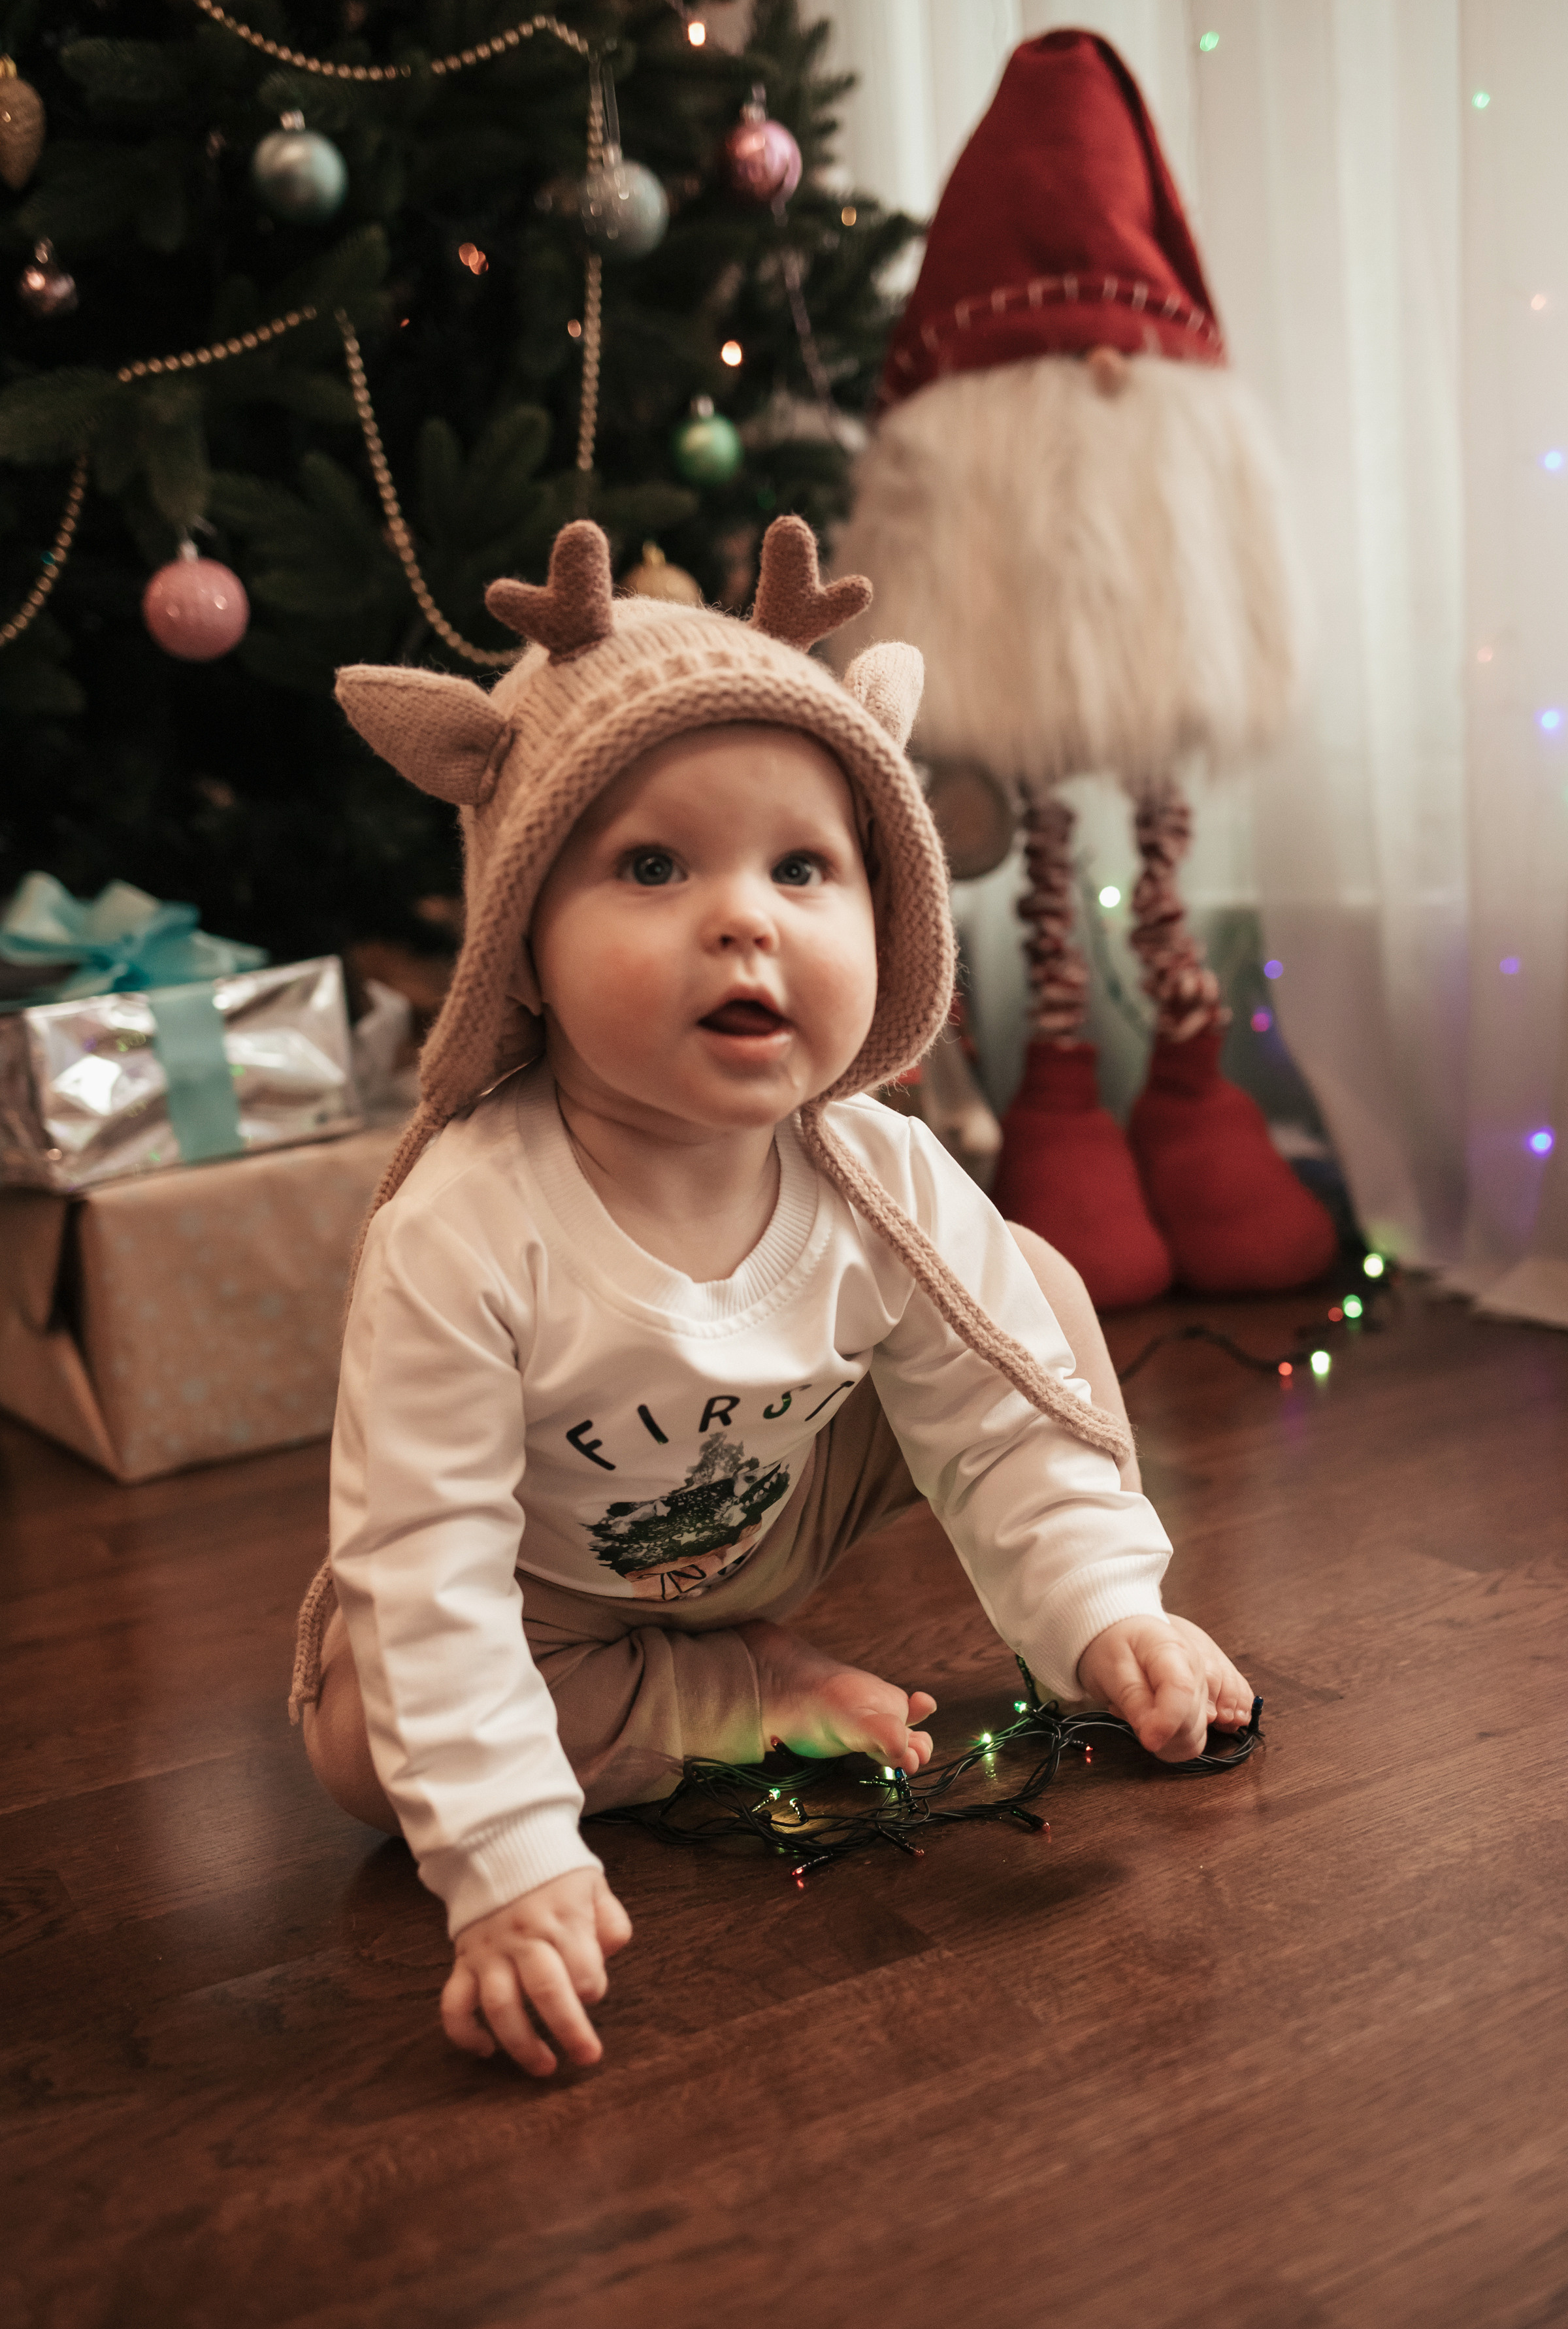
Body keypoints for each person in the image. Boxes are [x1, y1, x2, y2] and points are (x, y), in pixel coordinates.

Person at [290, 515, 1254, 2080]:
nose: (746, 918)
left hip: (784, 1496)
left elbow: (1000, 1428)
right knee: (356, 1738)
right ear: (522, 938)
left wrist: (1101, 1608)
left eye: (803, 867)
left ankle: (1094, 1614)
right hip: (557, 1594)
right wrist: (510, 1860)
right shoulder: (464, 1231)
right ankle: (722, 1697)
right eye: (653, 866)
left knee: (1027, 1295)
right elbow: (429, 1565)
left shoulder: (879, 1170)